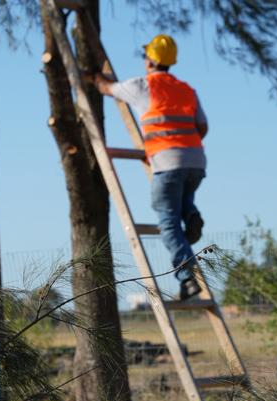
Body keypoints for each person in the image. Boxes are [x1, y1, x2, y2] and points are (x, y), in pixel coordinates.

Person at [92, 34, 208, 301]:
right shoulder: (187, 90)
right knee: (182, 205)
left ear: (151, 60)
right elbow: (202, 127)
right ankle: (192, 215)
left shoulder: (142, 86)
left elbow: (106, 88)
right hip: (195, 161)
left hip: (167, 164)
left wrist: (92, 77)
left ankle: (187, 277)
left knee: (168, 223)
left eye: (146, 56)